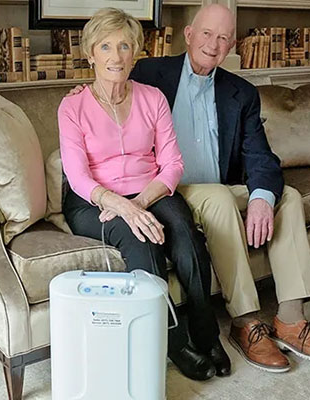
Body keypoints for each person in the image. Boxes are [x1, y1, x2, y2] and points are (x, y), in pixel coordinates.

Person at [127, 4, 310, 372]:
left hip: (220, 186)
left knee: (285, 197)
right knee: (219, 196)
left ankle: (291, 319)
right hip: (169, 190)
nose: (213, 44)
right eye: (207, 34)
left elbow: (260, 155)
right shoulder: (149, 73)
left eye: (224, 37)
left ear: (231, 45)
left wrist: (261, 197)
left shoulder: (241, 92)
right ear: (190, 35)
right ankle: (245, 322)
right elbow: (109, 95)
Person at [58, 7, 231, 381]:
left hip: (148, 190)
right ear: (91, 54)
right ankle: (174, 343)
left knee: (186, 234)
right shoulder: (73, 106)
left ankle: (207, 335)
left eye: (124, 46)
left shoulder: (153, 98)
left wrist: (139, 204)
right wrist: (122, 207)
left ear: (135, 52)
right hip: (94, 199)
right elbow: (77, 176)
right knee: (142, 242)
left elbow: (172, 165)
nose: (115, 56)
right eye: (105, 46)